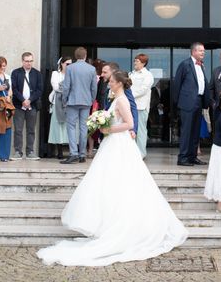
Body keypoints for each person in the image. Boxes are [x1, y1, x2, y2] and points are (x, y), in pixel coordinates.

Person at [37, 71, 188, 266]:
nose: (108, 84)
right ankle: (107, 223)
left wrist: (108, 129)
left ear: (119, 84)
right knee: (107, 183)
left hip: (119, 143)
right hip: (112, 144)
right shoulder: (116, 99)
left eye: (111, 82)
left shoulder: (123, 100)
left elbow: (130, 124)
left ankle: (122, 224)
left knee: (120, 181)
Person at [172, 42, 210, 166]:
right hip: (187, 103)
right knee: (187, 131)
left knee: (195, 131)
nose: (203, 53)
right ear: (193, 52)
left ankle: (192, 157)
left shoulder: (202, 65)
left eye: (203, 51)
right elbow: (177, 84)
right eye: (200, 51)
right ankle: (182, 158)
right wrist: (177, 103)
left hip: (199, 101)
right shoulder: (185, 64)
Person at [60, 47, 98, 164]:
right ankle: (82, 154)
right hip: (86, 101)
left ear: (75, 56)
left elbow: (66, 86)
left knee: (71, 127)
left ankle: (73, 153)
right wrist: (91, 100)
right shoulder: (91, 69)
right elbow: (93, 87)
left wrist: (64, 100)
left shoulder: (70, 68)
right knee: (83, 128)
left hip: (72, 101)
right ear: (85, 56)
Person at [10, 52, 43, 160]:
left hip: (32, 106)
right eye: (27, 61)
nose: (29, 63)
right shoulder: (16, 73)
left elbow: (39, 90)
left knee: (31, 130)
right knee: (18, 130)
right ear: (22, 61)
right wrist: (23, 100)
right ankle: (18, 152)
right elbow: (14, 89)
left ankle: (30, 152)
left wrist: (29, 100)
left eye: (30, 61)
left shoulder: (37, 74)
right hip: (19, 105)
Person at [101, 62, 139, 138]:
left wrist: (133, 129)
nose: (102, 75)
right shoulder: (105, 85)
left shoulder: (123, 88)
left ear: (113, 72)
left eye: (105, 72)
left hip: (120, 133)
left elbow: (133, 107)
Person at [130, 53, 154, 159]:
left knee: (140, 130)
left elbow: (143, 90)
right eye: (135, 60)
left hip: (140, 106)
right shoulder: (132, 74)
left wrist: (129, 96)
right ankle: (132, 152)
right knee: (131, 129)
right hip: (130, 105)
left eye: (137, 61)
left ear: (143, 63)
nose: (135, 62)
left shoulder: (147, 75)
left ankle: (141, 153)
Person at [48, 57, 71, 159]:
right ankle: (60, 151)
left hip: (70, 103)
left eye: (71, 64)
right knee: (58, 127)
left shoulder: (72, 74)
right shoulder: (55, 74)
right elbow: (56, 87)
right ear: (61, 63)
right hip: (56, 103)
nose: (69, 66)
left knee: (69, 127)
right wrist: (68, 87)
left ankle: (72, 151)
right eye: (67, 64)